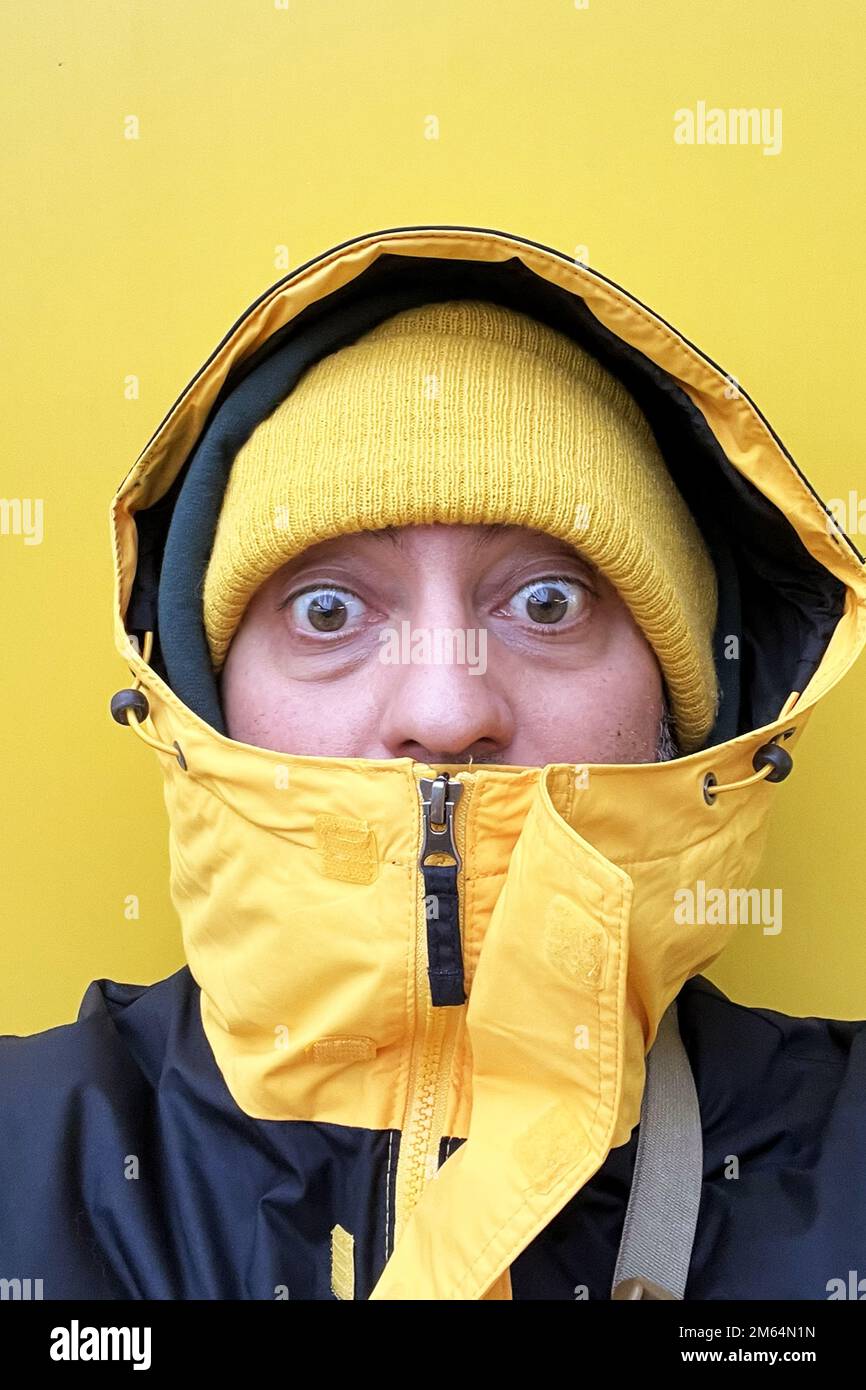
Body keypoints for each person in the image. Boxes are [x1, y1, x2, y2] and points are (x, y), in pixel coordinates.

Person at [2, 225, 865, 1301]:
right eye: (328, 609)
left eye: (545, 602)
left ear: (684, 707)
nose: (446, 705)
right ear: (202, 699)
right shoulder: (23, 1162)